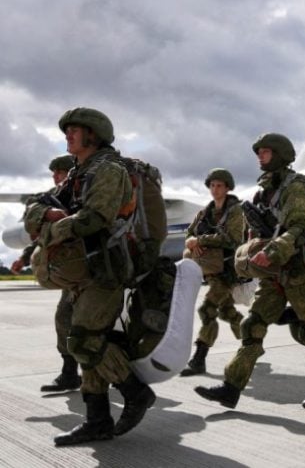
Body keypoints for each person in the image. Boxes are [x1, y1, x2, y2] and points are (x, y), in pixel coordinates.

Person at [25, 108, 155, 445]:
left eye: (74, 130)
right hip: (84, 271)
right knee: (83, 341)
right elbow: (34, 208)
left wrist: (50, 230)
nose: (68, 135)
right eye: (67, 130)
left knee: (84, 341)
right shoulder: (77, 174)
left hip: (105, 271)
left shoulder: (108, 170)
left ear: (93, 135)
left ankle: (135, 392)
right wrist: (48, 213)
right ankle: (97, 420)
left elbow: (94, 218)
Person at [195, 133, 305, 409]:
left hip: (297, 272)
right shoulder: (264, 191)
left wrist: (271, 252)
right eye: (258, 152)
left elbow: (299, 228)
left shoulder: (298, 187)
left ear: (280, 154)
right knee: (252, 326)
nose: (260, 156)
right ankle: (231, 387)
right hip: (272, 275)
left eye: (265, 152)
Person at [12, 154, 81, 393]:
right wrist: (23, 258)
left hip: (93, 268)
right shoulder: (55, 198)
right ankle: (70, 373)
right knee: (65, 319)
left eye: (59, 172)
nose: (55, 177)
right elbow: (45, 236)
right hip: (73, 271)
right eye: (54, 173)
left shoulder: (85, 193)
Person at [180, 168, 245, 376]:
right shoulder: (205, 212)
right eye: (212, 185)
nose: (215, 189)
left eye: (219, 185)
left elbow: (233, 239)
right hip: (208, 269)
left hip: (226, 270)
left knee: (207, 310)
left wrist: (201, 240)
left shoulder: (236, 211)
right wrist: (192, 242)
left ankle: (199, 359)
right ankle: (249, 339)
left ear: (227, 187)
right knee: (227, 312)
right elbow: (190, 233)